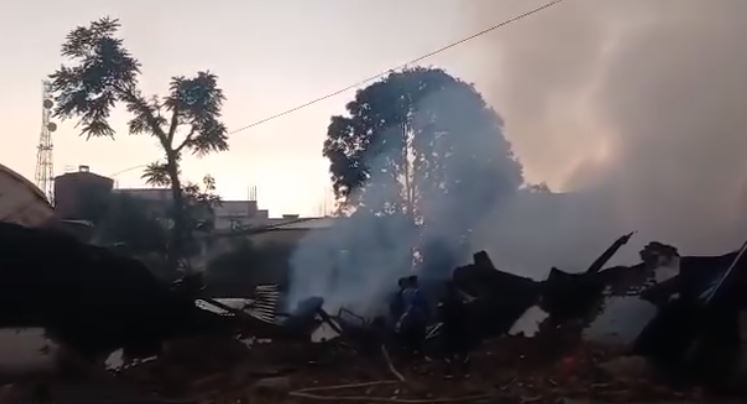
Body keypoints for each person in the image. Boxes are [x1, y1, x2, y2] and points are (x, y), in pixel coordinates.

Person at [439, 281, 472, 378]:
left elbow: (440, 313)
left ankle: (449, 372)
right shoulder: (461, 299)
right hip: (460, 327)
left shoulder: (443, 300)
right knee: (463, 349)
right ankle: (465, 371)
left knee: (448, 350)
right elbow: (468, 312)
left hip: (449, 328)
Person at [396, 276, 429, 357]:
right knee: (417, 338)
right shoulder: (414, 293)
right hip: (415, 318)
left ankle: (413, 353)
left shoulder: (405, 293)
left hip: (410, 318)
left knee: (412, 338)